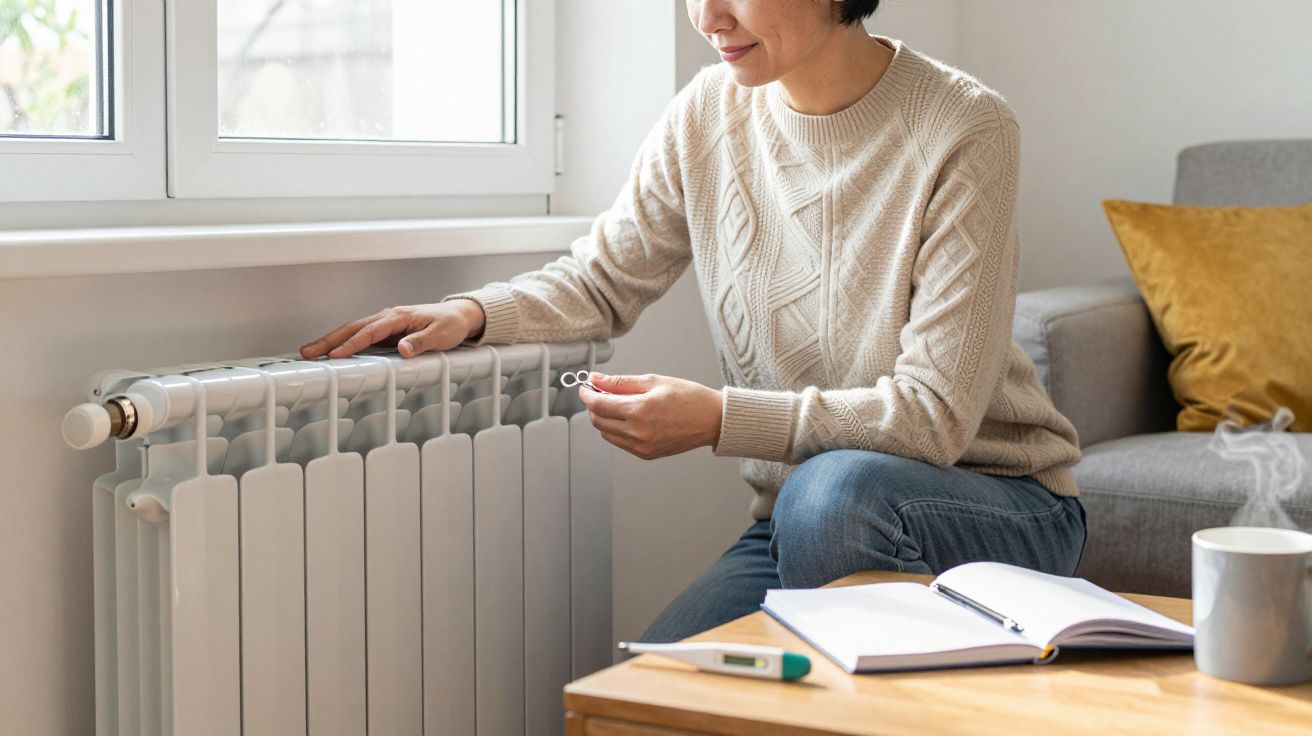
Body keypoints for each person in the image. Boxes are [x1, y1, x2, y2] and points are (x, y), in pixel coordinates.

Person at [300, 0, 1086, 643]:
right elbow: (604, 280)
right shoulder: (709, 113)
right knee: (649, 692)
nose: (707, 17)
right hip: (802, 520)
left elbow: (935, 420)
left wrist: (717, 418)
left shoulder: (965, 127)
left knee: (830, 494)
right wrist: (471, 312)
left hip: (994, 504)